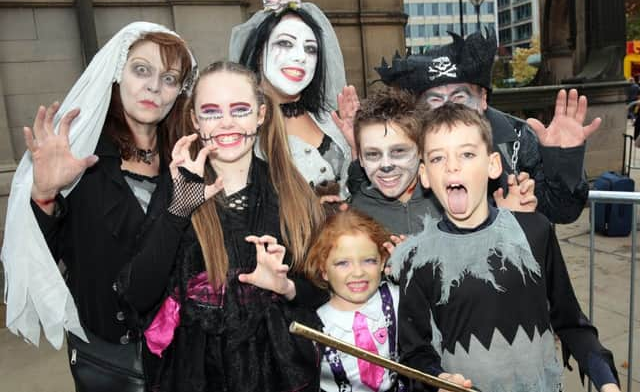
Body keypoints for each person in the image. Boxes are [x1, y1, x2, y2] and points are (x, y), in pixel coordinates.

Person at [1, 21, 197, 391]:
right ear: (116, 74)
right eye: (141, 70)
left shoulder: (187, 159)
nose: (154, 87)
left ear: (180, 91)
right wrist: (44, 195)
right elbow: (39, 254)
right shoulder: (80, 157)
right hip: (111, 358)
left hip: (186, 353)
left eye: (169, 78)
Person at [123, 61, 325, 392]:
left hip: (279, 371)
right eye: (212, 111)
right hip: (194, 375)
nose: (227, 122)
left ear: (260, 115)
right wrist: (178, 211)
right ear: (196, 121)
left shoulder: (293, 192)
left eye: (240, 109)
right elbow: (138, 295)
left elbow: (322, 285)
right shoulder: (174, 191)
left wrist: (287, 287)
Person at [391, 103, 621, 392]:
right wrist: (437, 379)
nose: (452, 166)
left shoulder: (534, 231)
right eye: (438, 158)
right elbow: (414, 353)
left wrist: (606, 379)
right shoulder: (418, 258)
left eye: (467, 154)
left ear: (493, 165)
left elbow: (571, 320)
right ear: (424, 175)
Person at [376, 29, 598, 224]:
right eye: (434, 100)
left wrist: (563, 162)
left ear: (483, 99)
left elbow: (563, 212)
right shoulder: (405, 146)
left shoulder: (518, 140)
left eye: (459, 97)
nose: (448, 110)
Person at [350, 86, 536, 236]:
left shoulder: (455, 198)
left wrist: (510, 223)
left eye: (399, 151)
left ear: (422, 152)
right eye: (372, 154)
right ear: (360, 159)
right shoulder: (356, 215)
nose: (386, 165)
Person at [229, 0, 354, 199]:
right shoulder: (241, 127)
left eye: (311, 49)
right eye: (285, 43)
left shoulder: (328, 118)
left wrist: (357, 144)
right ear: (259, 53)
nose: (301, 57)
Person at [305, 209, 404, 392]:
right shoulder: (314, 323)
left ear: (382, 261)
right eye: (343, 263)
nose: (358, 272)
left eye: (369, 261)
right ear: (324, 270)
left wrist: (412, 268)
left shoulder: (395, 297)